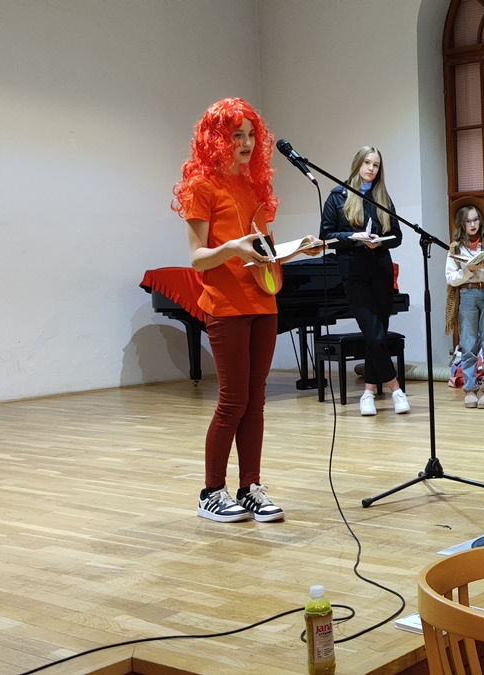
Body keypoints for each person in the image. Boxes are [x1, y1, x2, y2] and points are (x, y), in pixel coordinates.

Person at [172, 98, 320, 524]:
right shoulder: (203, 187)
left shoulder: (254, 188)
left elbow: (263, 252)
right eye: (236, 134)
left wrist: (297, 250)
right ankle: (211, 492)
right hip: (226, 306)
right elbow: (198, 259)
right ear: (216, 140)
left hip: (263, 301)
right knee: (233, 401)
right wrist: (233, 248)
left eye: (251, 134)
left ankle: (249, 487)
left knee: (255, 401)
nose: (246, 142)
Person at [319, 146, 409, 417]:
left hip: (380, 268)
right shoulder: (338, 196)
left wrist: (380, 241)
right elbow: (326, 236)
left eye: (376, 165)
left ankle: (368, 394)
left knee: (377, 334)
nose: (371, 168)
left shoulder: (382, 198)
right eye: (367, 163)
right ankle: (396, 389)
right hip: (353, 270)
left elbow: (397, 235)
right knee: (374, 334)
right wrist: (353, 238)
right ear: (357, 164)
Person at [445, 204, 484, 408]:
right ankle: (470, 389)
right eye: (468, 221)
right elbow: (450, 278)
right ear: (461, 224)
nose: (473, 224)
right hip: (467, 294)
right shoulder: (455, 248)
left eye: (475, 220)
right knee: (468, 344)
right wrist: (468, 270)